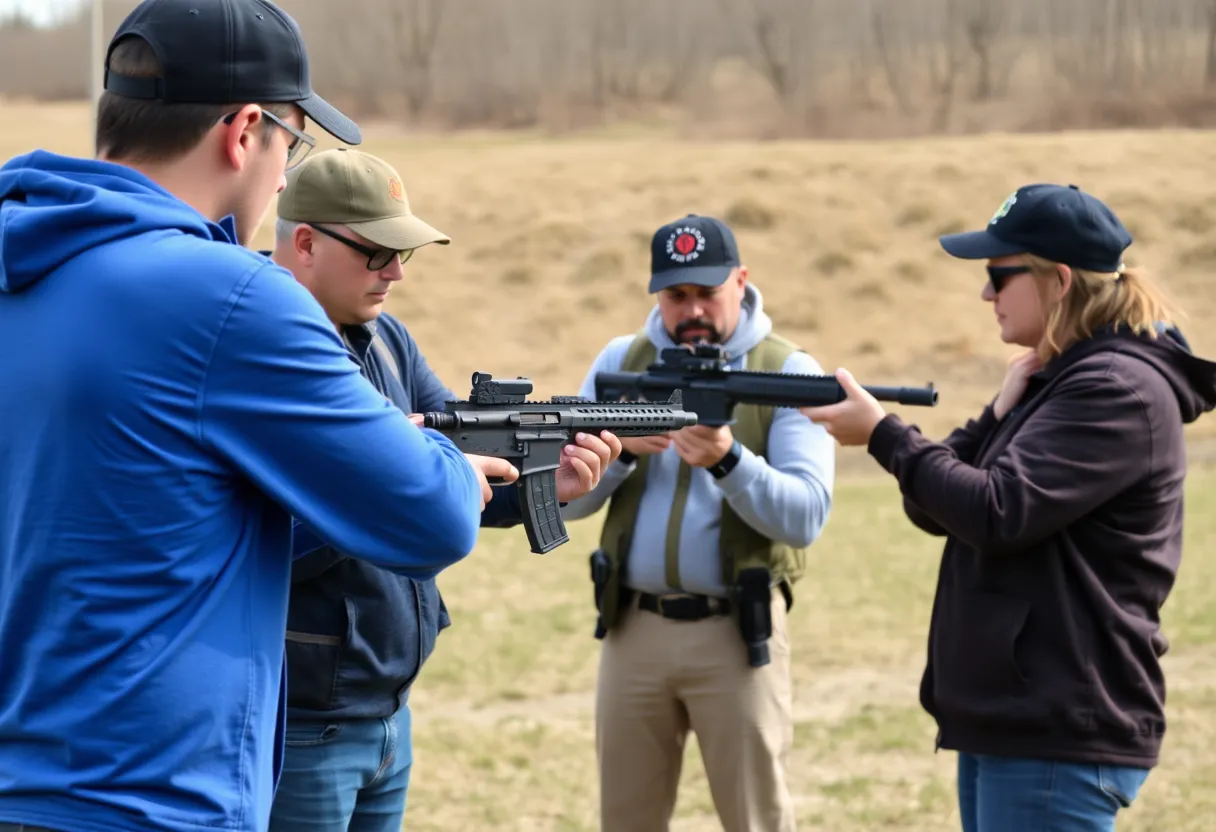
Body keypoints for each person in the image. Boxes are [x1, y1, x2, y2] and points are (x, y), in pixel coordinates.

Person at [0, 2, 521, 831]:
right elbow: (427, 518)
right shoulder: (231, 297)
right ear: (246, 130)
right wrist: (448, 460)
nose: (285, 177)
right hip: (153, 801)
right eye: (293, 144)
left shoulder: (23, 261)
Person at [801, 183, 1216, 832]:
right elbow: (936, 510)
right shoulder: (1064, 379)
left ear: (1058, 280)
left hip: (1057, 727)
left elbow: (994, 512)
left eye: (999, 274)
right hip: (1021, 720)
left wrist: (885, 435)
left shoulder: (1114, 389)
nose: (985, 294)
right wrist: (995, 413)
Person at [262, 147, 619, 832]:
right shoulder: (268, 353)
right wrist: (399, 490)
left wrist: (551, 482)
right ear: (304, 243)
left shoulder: (386, 339)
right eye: (376, 253)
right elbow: (269, 539)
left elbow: (463, 463)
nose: (395, 271)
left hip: (388, 711)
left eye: (404, 254)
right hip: (306, 724)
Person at [561, 214, 836, 832]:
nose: (692, 311)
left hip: (737, 635)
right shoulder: (622, 362)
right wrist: (621, 454)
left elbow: (805, 517)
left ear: (741, 282)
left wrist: (728, 459)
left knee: (756, 819)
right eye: (675, 295)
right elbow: (567, 503)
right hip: (633, 628)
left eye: (706, 293)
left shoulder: (787, 371)